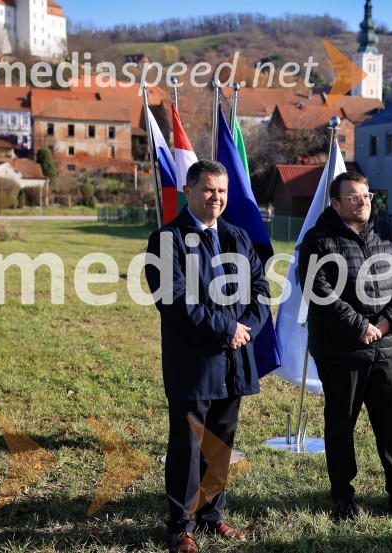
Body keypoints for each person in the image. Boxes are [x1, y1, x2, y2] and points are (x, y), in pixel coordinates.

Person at [146, 159, 271, 553]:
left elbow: (261, 290)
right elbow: (176, 301)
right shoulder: (166, 240)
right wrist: (227, 329)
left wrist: (245, 327)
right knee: (187, 445)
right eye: (207, 190)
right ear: (189, 191)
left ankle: (212, 515)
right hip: (194, 362)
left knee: (220, 442)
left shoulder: (237, 237)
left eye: (222, 191)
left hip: (234, 359)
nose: (216, 198)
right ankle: (180, 526)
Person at [298, 171, 392, 523]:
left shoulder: (390, 234)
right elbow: (318, 290)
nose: (363, 201)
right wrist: (360, 326)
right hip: (341, 352)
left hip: (386, 348)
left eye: (367, 195)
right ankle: (343, 496)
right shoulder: (318, 240)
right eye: (353, 196)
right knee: (340, 427)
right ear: (336, 203)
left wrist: (386, 324)